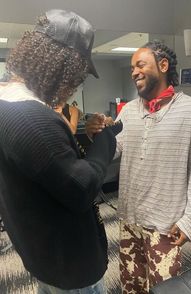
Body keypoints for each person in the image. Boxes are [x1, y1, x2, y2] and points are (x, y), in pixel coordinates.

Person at [0, 9, 122, 294]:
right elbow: (82, 187)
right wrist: (105, 141)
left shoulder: (6, 104)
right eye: (76, 76)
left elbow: (54, 169)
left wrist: (88, 144)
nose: (74, 85)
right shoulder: (32, 119)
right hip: (70, 266)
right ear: (61, 66)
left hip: (43, 252)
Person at [86, 40, 191, 293]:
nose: (134, 71)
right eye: (132, 67)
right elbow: (115, 150)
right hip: (130, 217)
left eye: (140, 64)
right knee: (131, 284)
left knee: (164, 288)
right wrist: (98, 134)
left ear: (163, 65)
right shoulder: (129, 111)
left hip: (166, 224)